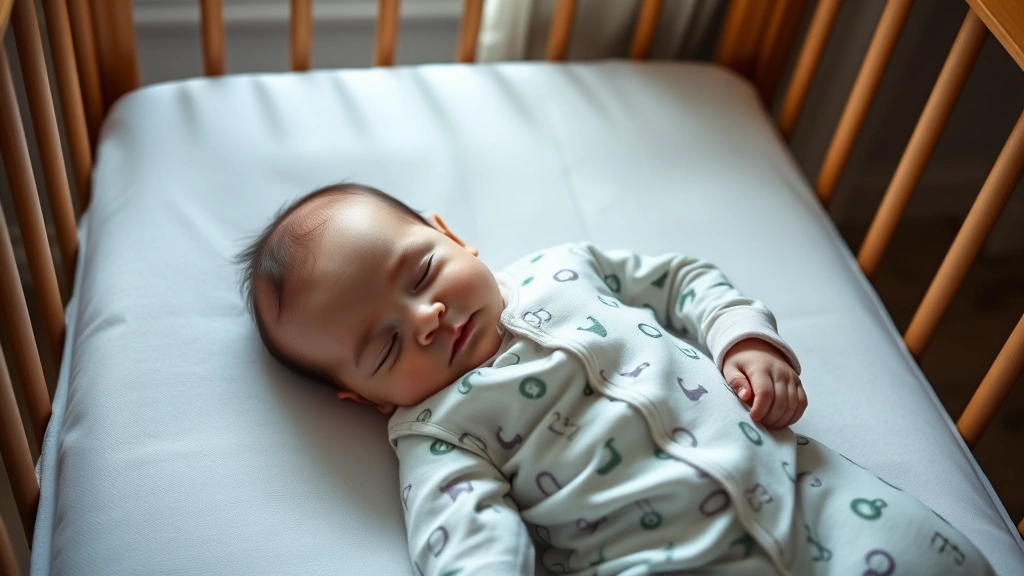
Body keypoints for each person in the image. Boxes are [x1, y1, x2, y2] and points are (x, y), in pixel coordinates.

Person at [237, 182, 992, 575]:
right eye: (385, 346)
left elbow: (685, 280)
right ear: (364, 399)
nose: (428, 316)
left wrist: (747, 341)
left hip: (813, 498)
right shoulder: (435, 435)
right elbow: (463, 539)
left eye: (423, 271)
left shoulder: (562, 269)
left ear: (449, 234)